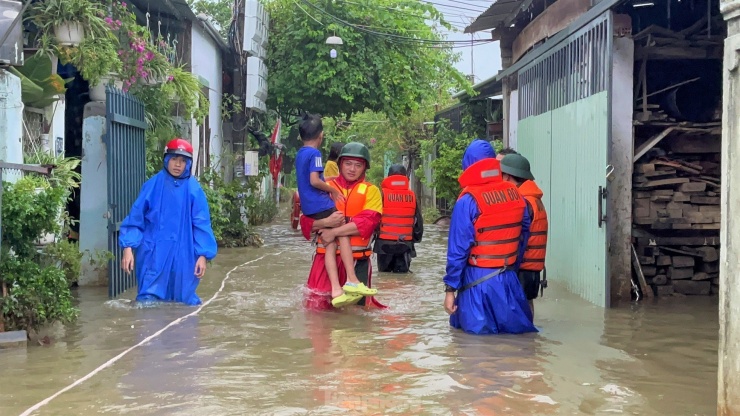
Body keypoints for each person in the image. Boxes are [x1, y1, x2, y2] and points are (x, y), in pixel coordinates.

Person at [442, 139, 537, 335]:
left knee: (475, 352)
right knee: (517, 346)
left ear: (467, 165)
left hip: (477, 284)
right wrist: (510, 266)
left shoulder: (468, 201)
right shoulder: (517, 196)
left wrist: (450, 290)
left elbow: (457, 251)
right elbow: (523, 238)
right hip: (510, 282)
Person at [119, 138, 217, 306]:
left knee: (183, 304)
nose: (177, 165)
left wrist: (203, 255)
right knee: (148, 302)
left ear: (188, 164)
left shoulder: (194, 190)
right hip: (153, 253)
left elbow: (201, 224)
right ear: (166, 160)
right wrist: (128, 248)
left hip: (184, 255)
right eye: (174, 159)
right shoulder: (152, 185)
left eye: (182, 161)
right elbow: (136, 218)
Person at [295, 114, 377, 307]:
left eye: (358, 165)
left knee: (358, 321)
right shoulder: (325, 186)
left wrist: (332, 231)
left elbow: (366, 224)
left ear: (365, 167)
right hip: (324, 262)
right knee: (318, 316)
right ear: (339, 164)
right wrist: (324, 223)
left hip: (358, 263)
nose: (352, 169)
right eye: (347, 163)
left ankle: (352, 283)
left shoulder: (372, 191)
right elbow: (305, 224)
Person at [501, 153, 548, 318]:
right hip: (533, 271)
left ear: (508, 176)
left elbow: (519, 239)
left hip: (522, 269)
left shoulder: (522, 202)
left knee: (517, 317)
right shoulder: (534, 200)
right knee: (527, 310)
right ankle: (529, 343)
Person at [373, 164, 423, 273]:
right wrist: (414, 240)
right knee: (402, 280)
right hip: (405, 244)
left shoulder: (382, 194)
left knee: (384, 278)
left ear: (388, 176)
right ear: (405, 177)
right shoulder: (412, 196)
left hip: (384, 245)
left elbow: (374, 218)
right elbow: (418, 223)